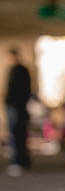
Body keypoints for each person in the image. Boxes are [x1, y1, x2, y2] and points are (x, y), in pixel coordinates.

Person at [4, 47, 31, 176]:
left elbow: (22, 91)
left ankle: (18, 161)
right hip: (16, 107)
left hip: (16, 108)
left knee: (16, 135)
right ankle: (22, 160)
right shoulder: (14, 70)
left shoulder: (19, 71)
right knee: (19, 134)